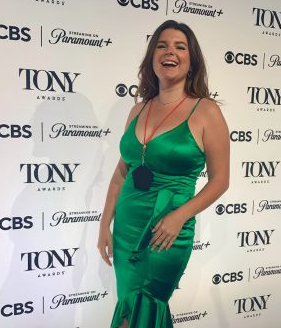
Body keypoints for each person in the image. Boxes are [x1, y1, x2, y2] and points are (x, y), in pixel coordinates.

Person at [97, 20, 230, 328]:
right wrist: (105, 223)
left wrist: (179, 216)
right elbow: (121, 172)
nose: (170, 52)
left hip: (167, 229)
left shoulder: (206, 111)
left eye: (180, 47)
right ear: (152, 57)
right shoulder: (138, 110)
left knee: (146, 304)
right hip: (127, 227)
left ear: (191, 60)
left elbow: (220, 180)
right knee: (129, 307)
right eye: (162, 45)